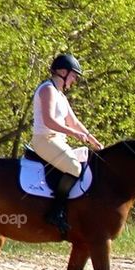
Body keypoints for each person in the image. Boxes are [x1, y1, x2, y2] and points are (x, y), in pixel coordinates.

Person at [31, 53, 102, 237]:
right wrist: (74, 133)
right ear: (62, 72)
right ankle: (55, 211)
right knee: (73, 167)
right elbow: (49, 121)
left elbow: (74, 121)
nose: (75, 80)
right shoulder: (47, 90)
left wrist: (92, 139)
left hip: (57, 141)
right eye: (73, 75)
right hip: (44, 140)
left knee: (88, 158)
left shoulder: (60, 94)